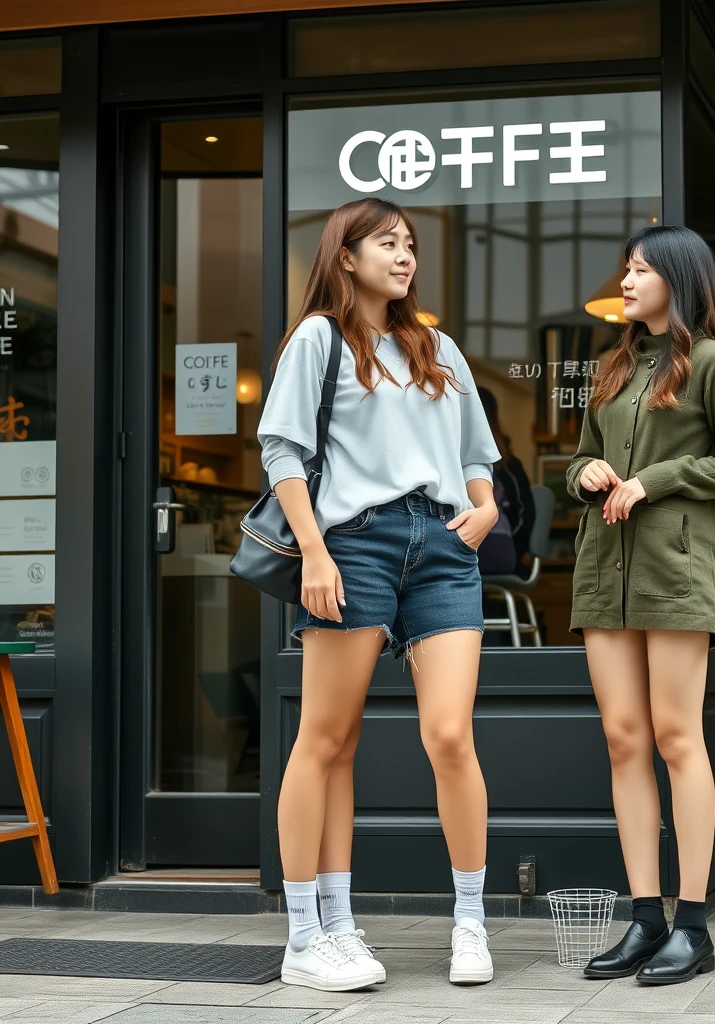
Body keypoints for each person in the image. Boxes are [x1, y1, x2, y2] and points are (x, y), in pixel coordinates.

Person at [258, 198, 500, 992]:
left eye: (409, 245)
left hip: (442, 548)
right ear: (346, 255)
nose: (403, 256)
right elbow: (283, 451)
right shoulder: (320, 340)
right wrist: (317, 553)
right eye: (386, 243)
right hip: (353, 545)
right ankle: (312, 932)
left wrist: (486, 506)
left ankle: (470, 921)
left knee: (450, 736)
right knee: (328, 741)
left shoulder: (438, 349)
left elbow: (475, 455)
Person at [566, 225, 715, 985]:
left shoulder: (710, 363)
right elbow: (581, 452)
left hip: (676, 574)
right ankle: (645, 918)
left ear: (677, 280)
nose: (626, 279)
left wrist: (660, 478)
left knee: (678, 739)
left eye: (641, 269)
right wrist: (586, 473)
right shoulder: (613, 367)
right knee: (624, 740)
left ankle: (694, 923)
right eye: (626, 268)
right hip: (602, 572)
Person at [477, 386, 536, 578]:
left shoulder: (506, 465)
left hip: (496, 553)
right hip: (504, 552)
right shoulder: (509, 463)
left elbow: (525, 515)